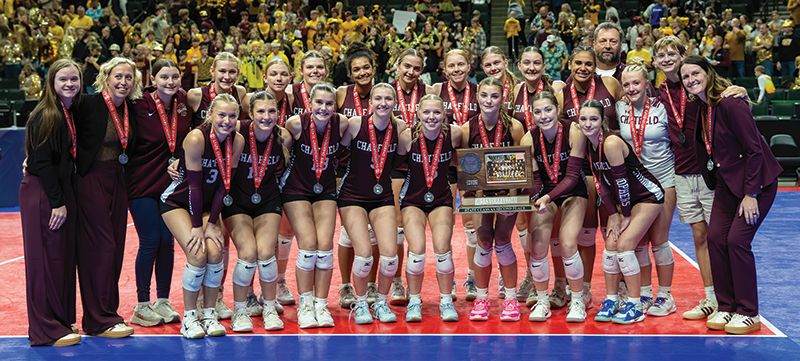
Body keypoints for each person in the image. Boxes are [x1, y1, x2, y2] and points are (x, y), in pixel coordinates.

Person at [680, 55, 782, 335]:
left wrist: (751, 193)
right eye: (686, 76)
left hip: (756, 183)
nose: (691, 80)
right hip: (727, 183)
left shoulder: (730, 103)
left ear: (708, 72)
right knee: (715, 238)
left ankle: (749, 312)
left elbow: (754, 150)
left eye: (695, 73)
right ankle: (726, 307)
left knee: (737, 241)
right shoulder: (700, 107)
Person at [549, 99, 664, 324]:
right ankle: (612, 299)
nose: (588, 123)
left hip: (647, 196)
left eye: (593, 119)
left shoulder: (610, 143)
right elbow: (595, 184)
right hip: (624, 201)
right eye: (583, 119)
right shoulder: (587, 143)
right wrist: (612, 214)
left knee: (624, 246)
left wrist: (624, 215)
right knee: (610, 246)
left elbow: (621, 183)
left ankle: (634, 303)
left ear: (603, 121)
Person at [161, 93, 246, 339]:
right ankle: (189, 317)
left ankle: (209, 313)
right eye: (221, 115)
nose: (227, 121)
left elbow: (224, 186)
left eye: (232, 116)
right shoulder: (197, 137)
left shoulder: (237, 141)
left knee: (216, 251)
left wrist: (212, 223)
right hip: (177, 201)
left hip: (208, 206)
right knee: (198, 253)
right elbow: (194, 187)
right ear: (210, 115)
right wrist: (199, 226)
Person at [20, 58, 82, 346]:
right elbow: (41, 162)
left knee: (60, 260)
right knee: (44, 260)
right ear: (52, 83)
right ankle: (45, 330)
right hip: (44, 194)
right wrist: (57, 202)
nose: (69, 84)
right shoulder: (48, 114)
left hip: (56, 190)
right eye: (63, 80)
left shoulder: (65, 111)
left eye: (74, 79)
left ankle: (59, 320)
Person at [128, 59, 192, 327]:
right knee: (151, 240)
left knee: (168, 241)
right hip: (142, 184)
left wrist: (180, 157)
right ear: (153, 79)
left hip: (171, 187)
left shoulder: (185, 105)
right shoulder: (138, 105)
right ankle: (142, 305)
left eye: (174, 76)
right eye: (164, 76)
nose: (170, 81)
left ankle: (163, 300)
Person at [281, 83, 349, 328]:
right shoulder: (295, 124)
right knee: (308, 244)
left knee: (325, 246)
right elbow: (280, 154)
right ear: (309, 102)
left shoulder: (342, 125)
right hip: (296, 189)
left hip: (326, 190)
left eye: (329, 103)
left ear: (335, 106)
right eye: (319, 102)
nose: (323, 108)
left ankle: (321, 304)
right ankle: (305, 304)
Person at [223, 91, 293, 332]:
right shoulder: (237, 130)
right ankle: (240, 310)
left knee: (265, 252)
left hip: (267, 201)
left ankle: (270, 307)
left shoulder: (282, 137)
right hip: (237, 202)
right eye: (260, 111)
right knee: (248, 252)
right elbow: (206, 137)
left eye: (271, 111)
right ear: (250, 113)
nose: (266, 116)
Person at [559, 45, 623, 310]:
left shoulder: (610, 84)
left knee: (614, 231)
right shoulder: (560, 91)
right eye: (578, 63)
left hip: (610, 168)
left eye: (588, 63)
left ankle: (618, 288)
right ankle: (584, 289)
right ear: (570, 65)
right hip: (581, 172)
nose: (583, 68)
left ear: (594, 65)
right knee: (586, 235)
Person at [186, 51, 248, 319]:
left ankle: (217, 296)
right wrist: (177, 159)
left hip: (222, 177)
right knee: (203, 244)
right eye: (222, 71)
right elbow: (183, 130)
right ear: (211, 70)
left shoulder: (241, 95)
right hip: (198, 171)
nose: (227, 76)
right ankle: (199, 298)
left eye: (232, 72)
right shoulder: (195, 95)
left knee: (220, 242)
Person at [339, 83, 406, 324]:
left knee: (390, 257)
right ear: (370, 102)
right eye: (378, 98)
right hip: (352, 196)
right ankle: (359, 303)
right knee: (365, 255)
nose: (383, 103)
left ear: (394, 103)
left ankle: (380, 302)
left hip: (382, 196)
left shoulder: (400, 129)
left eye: (388, 98)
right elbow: (336, 153)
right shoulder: (355, 125)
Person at [461, 77, 525, 321]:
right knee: (484, 240)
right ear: (477, 97)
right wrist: (470, 197)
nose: (489, 100)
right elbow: (464, 164)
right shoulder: (467, 128)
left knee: (503, 240)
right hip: (479, 196)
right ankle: (481, 298)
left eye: (494, 96)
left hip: (509, 195)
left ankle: (510, 299)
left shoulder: (515, 127)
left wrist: (512, 199)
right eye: (485, 95)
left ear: (503, 99)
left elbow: (523, 165)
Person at [617, 61, 677, 317]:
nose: (632, 88)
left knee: (659, 240)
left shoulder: (664, 108)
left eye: (636, 82)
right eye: (627, 84)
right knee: (638, 242)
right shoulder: (620, 108)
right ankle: (643, 292)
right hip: (636, 185)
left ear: (646, 83)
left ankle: (665, 295)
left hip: (663, 179)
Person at [524, 91, 589, 323]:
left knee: (568, 242)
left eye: (548, 110)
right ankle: (542, 300)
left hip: (573, 192)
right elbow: (535, 179)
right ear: (532, 115)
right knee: (537, 244)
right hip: (545, 194)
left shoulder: (574, 131)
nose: (544, 116)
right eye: (538, 112)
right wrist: (538, 197)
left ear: (557, 109)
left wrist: (547, 198)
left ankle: (578, 299)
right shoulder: (528, 139)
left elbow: (572, 177)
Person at [399, 94, 464, 322]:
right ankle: (414, 300)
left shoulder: (454, 134)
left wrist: (461, 194)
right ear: (418, 113)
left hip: (441, 199)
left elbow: (463, 162)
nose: (431, 117)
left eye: (437, 112)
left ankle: (446, 300)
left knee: (442, 249)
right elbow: (397, 171)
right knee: (416, 251)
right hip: (413, 200)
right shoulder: (407, 137)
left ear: (444, 115)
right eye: (426, 112)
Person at [511, 46, 567, 305]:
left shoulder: (556, 91)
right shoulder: (512, 92)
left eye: (536, 63)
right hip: (527, 164)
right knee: (527, 227)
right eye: (526, 63)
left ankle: (560, 284)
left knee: (553, 231)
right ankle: (532, 277)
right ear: (519, 66)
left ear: (544, 65)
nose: (531, 67)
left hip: (555, 166)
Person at [334, 43, 385, 308]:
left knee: (375, 233)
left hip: (378, 169)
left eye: (366, 67)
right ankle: (345, 286)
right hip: (346, 171)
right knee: (348, 232)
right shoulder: (341, 94)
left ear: (374, 68)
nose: (362, 72)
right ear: (350, 73)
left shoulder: (383, 94)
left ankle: (373, 284)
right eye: (357, 69)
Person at [429, 49, 480, 300]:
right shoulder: (435, 92)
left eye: (461, 64)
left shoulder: (479, 90)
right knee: (445, 223)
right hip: (445, 165)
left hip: (474, 167)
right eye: (452, 65)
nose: (457, 69)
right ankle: (447, 281)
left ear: (469, 66)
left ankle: (471, 277)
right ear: (445, 68)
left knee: (472, 225)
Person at [287, 51, 329, 116]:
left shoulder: (333, 95)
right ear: (301, 71)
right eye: (310, 67)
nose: (315, 71)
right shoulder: (290, 92)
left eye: (320, 67)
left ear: (326, 71)